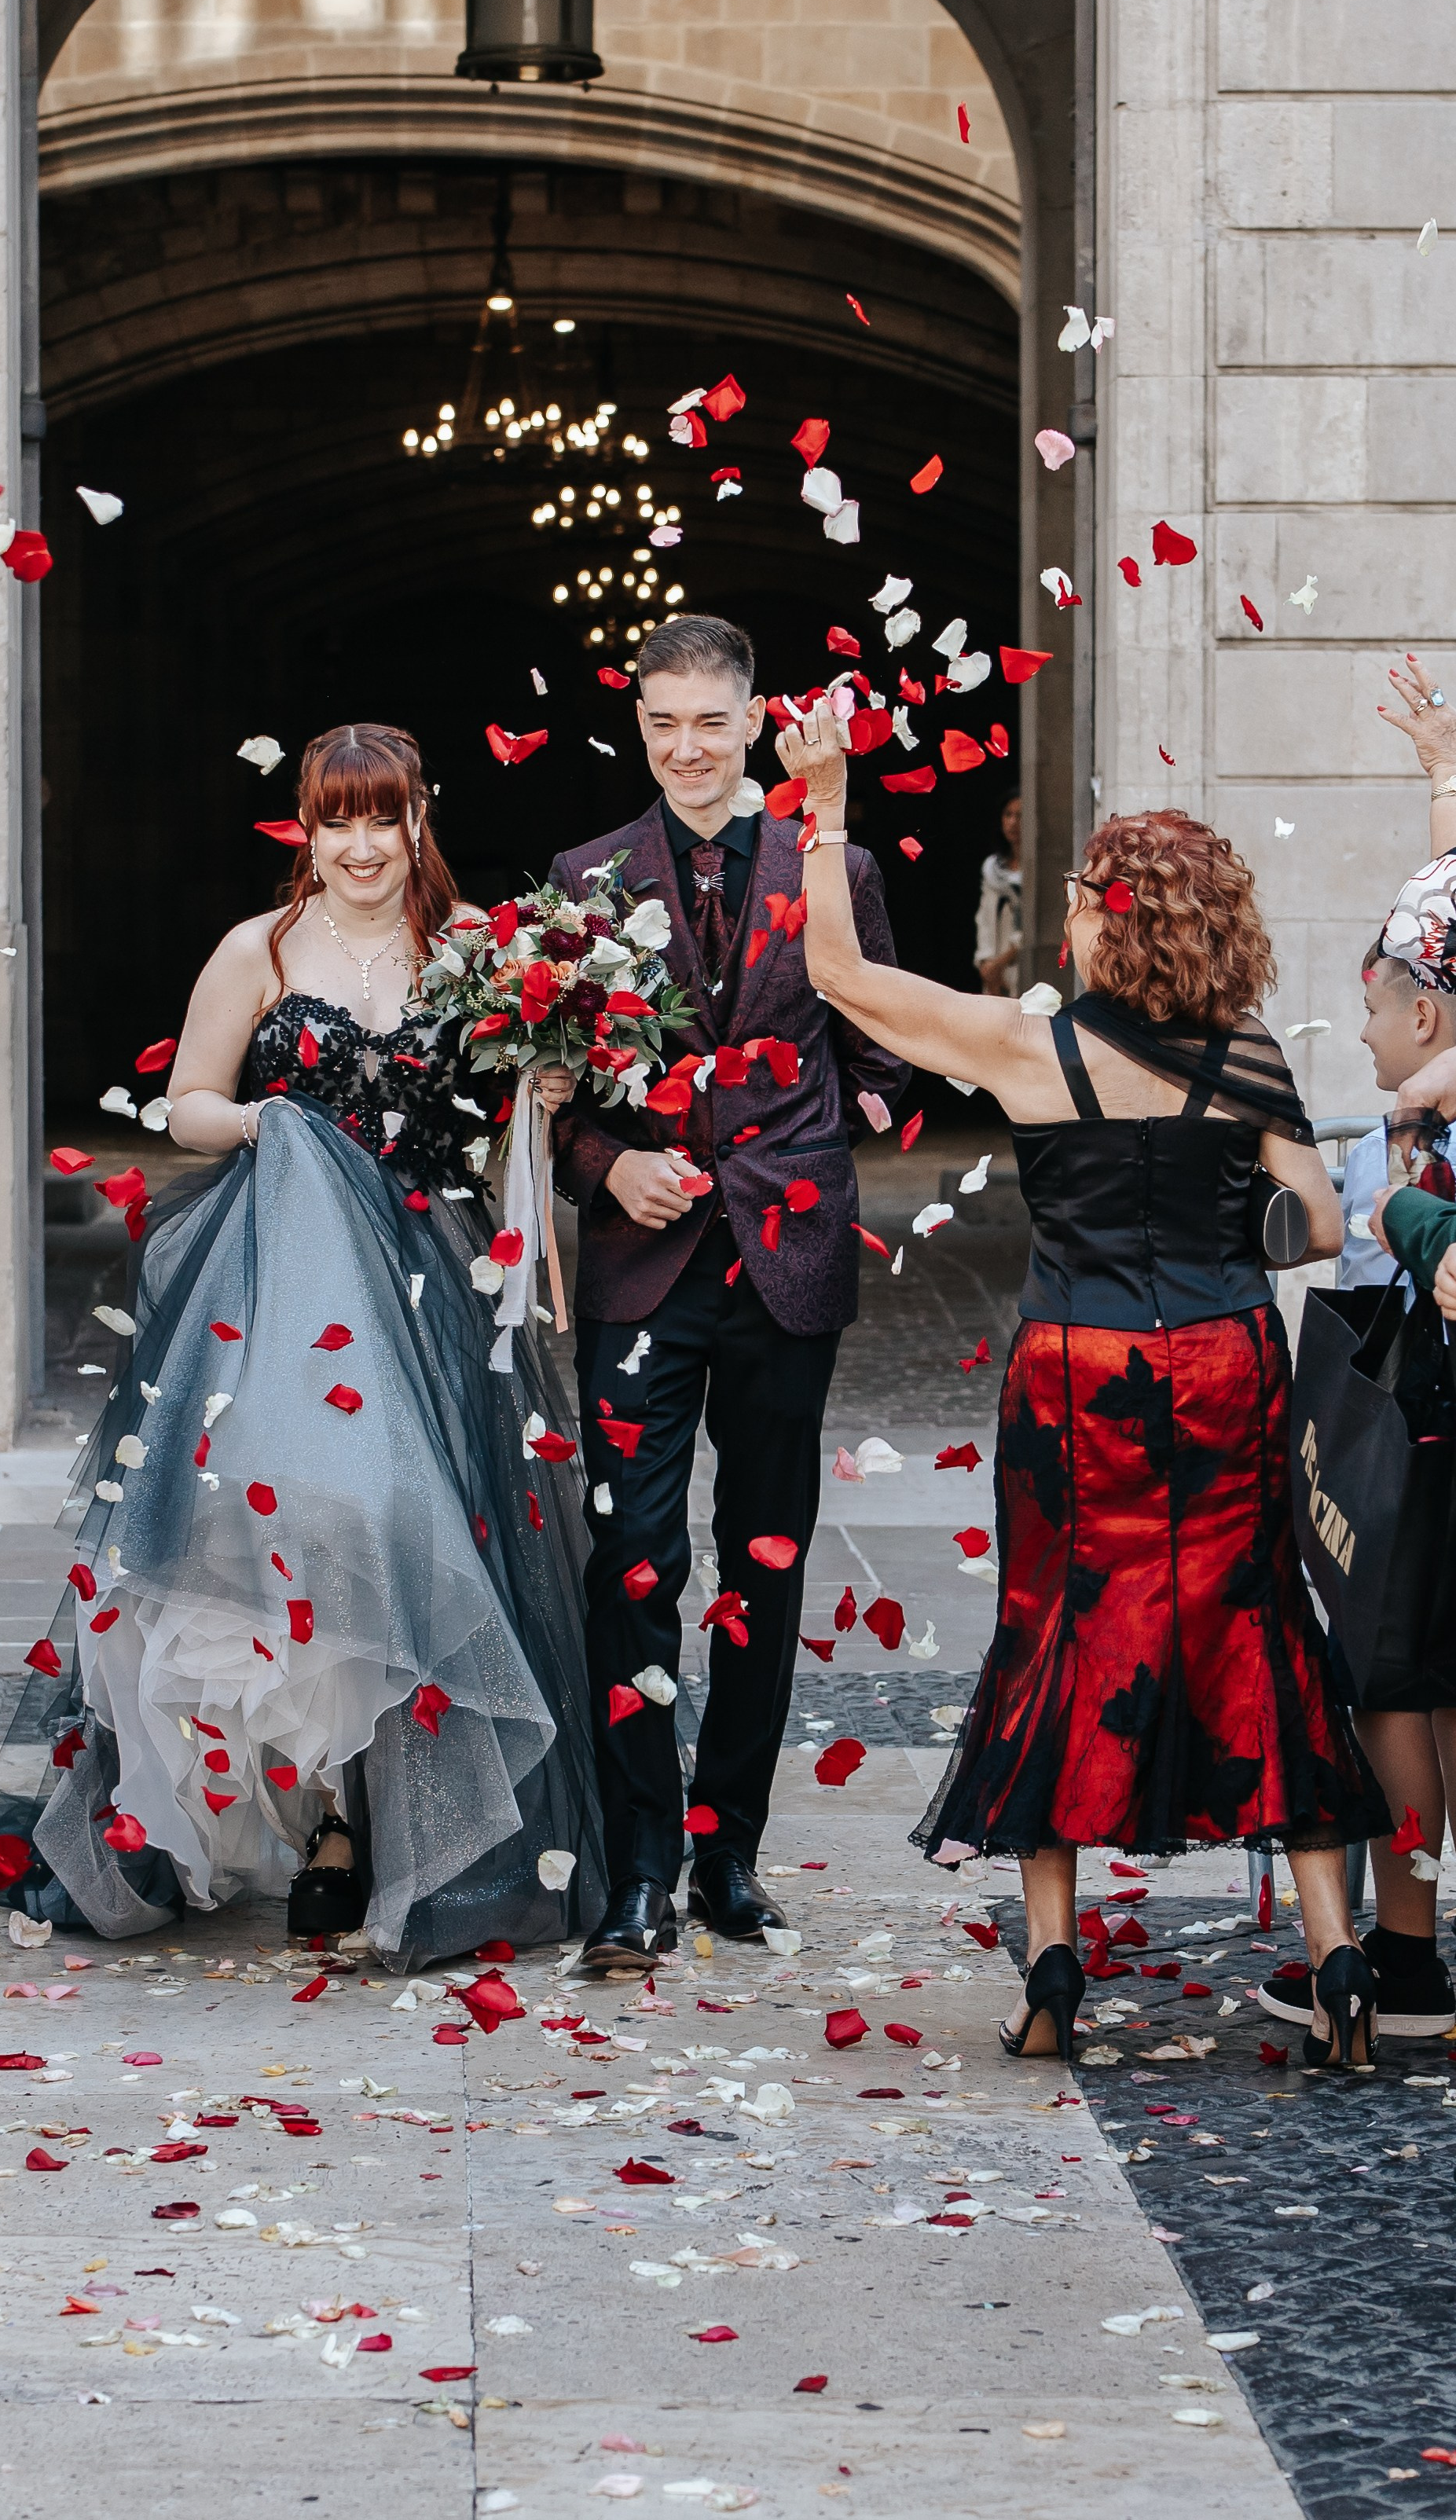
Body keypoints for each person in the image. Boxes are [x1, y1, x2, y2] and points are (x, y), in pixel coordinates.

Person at [0, 721, 604, 1966]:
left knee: (408, 1531)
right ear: (306, 825)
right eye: (334, 819)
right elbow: (183, 1103)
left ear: (416, 822)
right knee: (287, 1520)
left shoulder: (470, 954)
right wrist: (263, 1122)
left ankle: (371, 1820)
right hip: (281, 1269)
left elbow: (502, 1133)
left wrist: (537, 1094)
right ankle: (320, 1813)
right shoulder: (259, 948)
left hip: (424, 1279)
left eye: (380, 818)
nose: (358, 844)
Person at [776, 691, 1390, 2069]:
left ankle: (1054, 1967)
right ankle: (1337, 1957)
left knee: (1056, 1631)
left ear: (1116, 919)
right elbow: (1320, 1226)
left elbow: (840, 975)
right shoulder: (1248, 1060)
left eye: (1077, 902)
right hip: (1226, 1362)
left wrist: (823, 809)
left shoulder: (1029, 1048)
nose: (1064, 920)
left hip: (1078, 1371)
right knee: (1255, 1623)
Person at [545, 614, 908, 1975]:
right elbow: (558, 1099)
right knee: (632, 1567)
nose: (689, 747)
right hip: (643, 1274)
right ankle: (637, 1870)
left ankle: (728, 1856)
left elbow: (887, 1055)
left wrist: (813, 1135)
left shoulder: (837, 866)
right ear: (637, 723)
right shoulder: (586, 879)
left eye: (712, 721)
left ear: (753, 718)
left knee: (765, 1561)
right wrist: (609, 1163)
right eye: (664, 724)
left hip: (783, 1269)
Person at [1326, 663, 1456, 2049]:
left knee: (1402, 1680)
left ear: (1436, 1024)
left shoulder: (1445, 1129)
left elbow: (1442, 1241)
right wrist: (1450, 778)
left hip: (1438, 1432)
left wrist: (1394, 1191)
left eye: (1384, 1015)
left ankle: (1411, 1949)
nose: (1370, 1033)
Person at [974, 790, 1024, 998]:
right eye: (1008, 815)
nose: (1013, 822)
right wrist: (987, 964)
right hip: (994, 966)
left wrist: (1002, 962)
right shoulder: (992, 868)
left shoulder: (1035, 872)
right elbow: (984, 918)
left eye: (1019, 816)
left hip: (1021, 965)